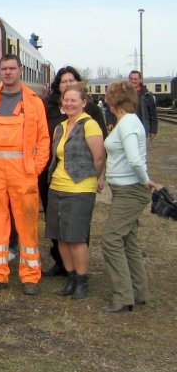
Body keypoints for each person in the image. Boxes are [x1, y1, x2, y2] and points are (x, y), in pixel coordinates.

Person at [0, 54, 50, 294]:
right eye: (3, 69)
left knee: (27, 224)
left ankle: (30, 277)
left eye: (11, 68)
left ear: (20, 70)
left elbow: (44, 139)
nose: (7, 72)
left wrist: (34, 169)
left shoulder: (34, 102)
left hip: (23, 172)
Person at [41, 66, 108, 276]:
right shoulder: (53, 115)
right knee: (58, 230)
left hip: (80, 185)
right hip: (55, 181)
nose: (67, 84)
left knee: (76, 232)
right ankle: (64, 268)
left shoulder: (90, 118)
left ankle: (80, 276)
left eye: (71, 80)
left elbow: (99, 155)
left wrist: (95, 177)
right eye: (63, 81)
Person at [101, 81, 157, 312]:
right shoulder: (127, 122)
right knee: (128, 239)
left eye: (108, 95)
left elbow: (134, 158)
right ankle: (138, 291)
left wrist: (145, 180)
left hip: (130, 190)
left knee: (111, 239)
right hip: (124, 189)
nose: (105, 99)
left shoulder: (129, 123)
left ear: (115, 100)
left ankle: (123, 295)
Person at [128, 71, 158, 142]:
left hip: (142, 129)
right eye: (131, 79)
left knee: (141, 152)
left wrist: (153, 130)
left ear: (140, 80)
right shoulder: (123, 93)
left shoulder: (147, 95)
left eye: (135, 79)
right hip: (127, 128)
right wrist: (110, 121)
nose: (133, 81)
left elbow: (153, 113)